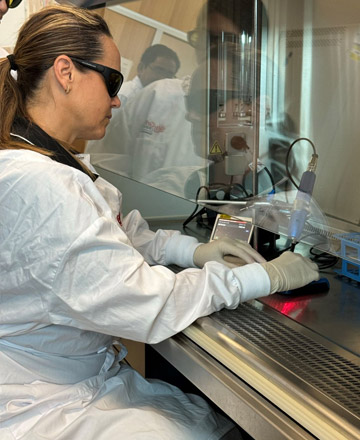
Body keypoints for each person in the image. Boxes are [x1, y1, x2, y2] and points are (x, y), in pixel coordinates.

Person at [0, 4, 319, 439]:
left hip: (75, 379)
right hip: (48, 403)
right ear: (65, 72)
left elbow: (112, 231)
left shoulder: (46, 159)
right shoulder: (39, 181)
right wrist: (265, 277)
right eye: (111, 81)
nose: (117, 98)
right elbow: (147, 302)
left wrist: (190, 250)